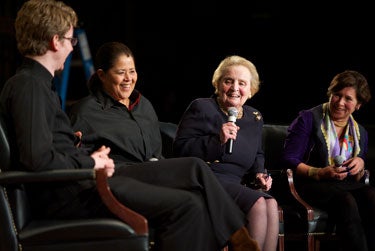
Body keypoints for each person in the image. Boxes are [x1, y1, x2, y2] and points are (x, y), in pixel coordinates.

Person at [0, 1, 259, 251]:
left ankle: (241, 240)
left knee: (193, 168)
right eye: (70, 41)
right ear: (55, 41)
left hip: (80, 181)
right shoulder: (29, 86)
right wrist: (90, 163)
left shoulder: (38, 85)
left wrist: (79, 151)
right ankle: (241, 241)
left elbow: (44, 147)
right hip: (74, 191)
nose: (72, 49)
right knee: (188, 204)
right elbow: (36, 158)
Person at [68, 41, 261, 251]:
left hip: (147, 174)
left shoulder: (144, 106)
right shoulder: (85, 111)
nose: (128, 79)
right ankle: (241, 239)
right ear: (102, 75)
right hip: (119, 178)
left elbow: (155, 155)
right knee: (195, 166)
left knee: (197, 201)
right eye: (120, 72)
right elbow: (77, 159)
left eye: (132, 71)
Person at [172, 55, 279, 251]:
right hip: (206, 178)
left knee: (270, 204)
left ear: (251, 89)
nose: (235, 88)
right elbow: (180, 149)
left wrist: (259, 174)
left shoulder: (255, 117)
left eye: (242, 83)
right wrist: (216, 141)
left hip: (235, 182)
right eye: (228, 81)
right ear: (218, 84)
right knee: (258, 204)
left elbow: (257, 154)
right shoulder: (202, 107)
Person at [282, 70, 375, 251]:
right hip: (310, 183)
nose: (340, 102)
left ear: (358, 105)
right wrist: (320, 172)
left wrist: (360, 162)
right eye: (337, 95)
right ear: (331, 93)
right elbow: (289, 160)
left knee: (373, 196)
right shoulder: (308, 119)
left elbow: (359, 161)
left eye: (348, 99)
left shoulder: (360, 131)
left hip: (343, 184)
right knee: (345, 200)